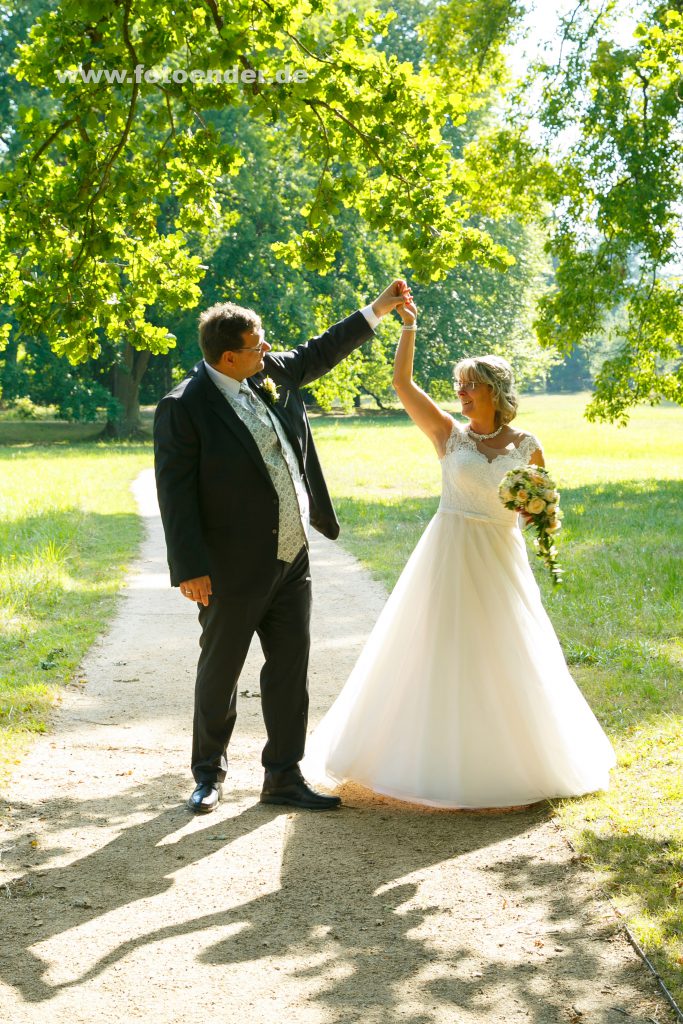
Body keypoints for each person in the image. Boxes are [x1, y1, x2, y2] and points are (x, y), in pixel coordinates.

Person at [303, 296, 617, 809]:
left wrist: (541, 515)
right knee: (438, 649)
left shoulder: (527, 444)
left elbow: (538, 500)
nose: (461, 394)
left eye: (469, 386)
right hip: (449, 554)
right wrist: (408, 328)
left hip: (499, 559)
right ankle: (425, 761)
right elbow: (402, 387)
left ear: (493, 390)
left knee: (504, 651)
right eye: (459, 387)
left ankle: (512, 760)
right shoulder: (450, 435)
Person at [154, 280, 412, 814]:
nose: (268, 349)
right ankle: (208, 775)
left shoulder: (268, 374)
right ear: (229, 357)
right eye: (257, 344)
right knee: (220, 670)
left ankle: (283, 776)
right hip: (228, 569)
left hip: (292, 559)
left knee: (290, 666)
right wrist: (190, 569)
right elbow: (174, 494)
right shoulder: (185, 407)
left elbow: (321, 349)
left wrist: (380, 310)